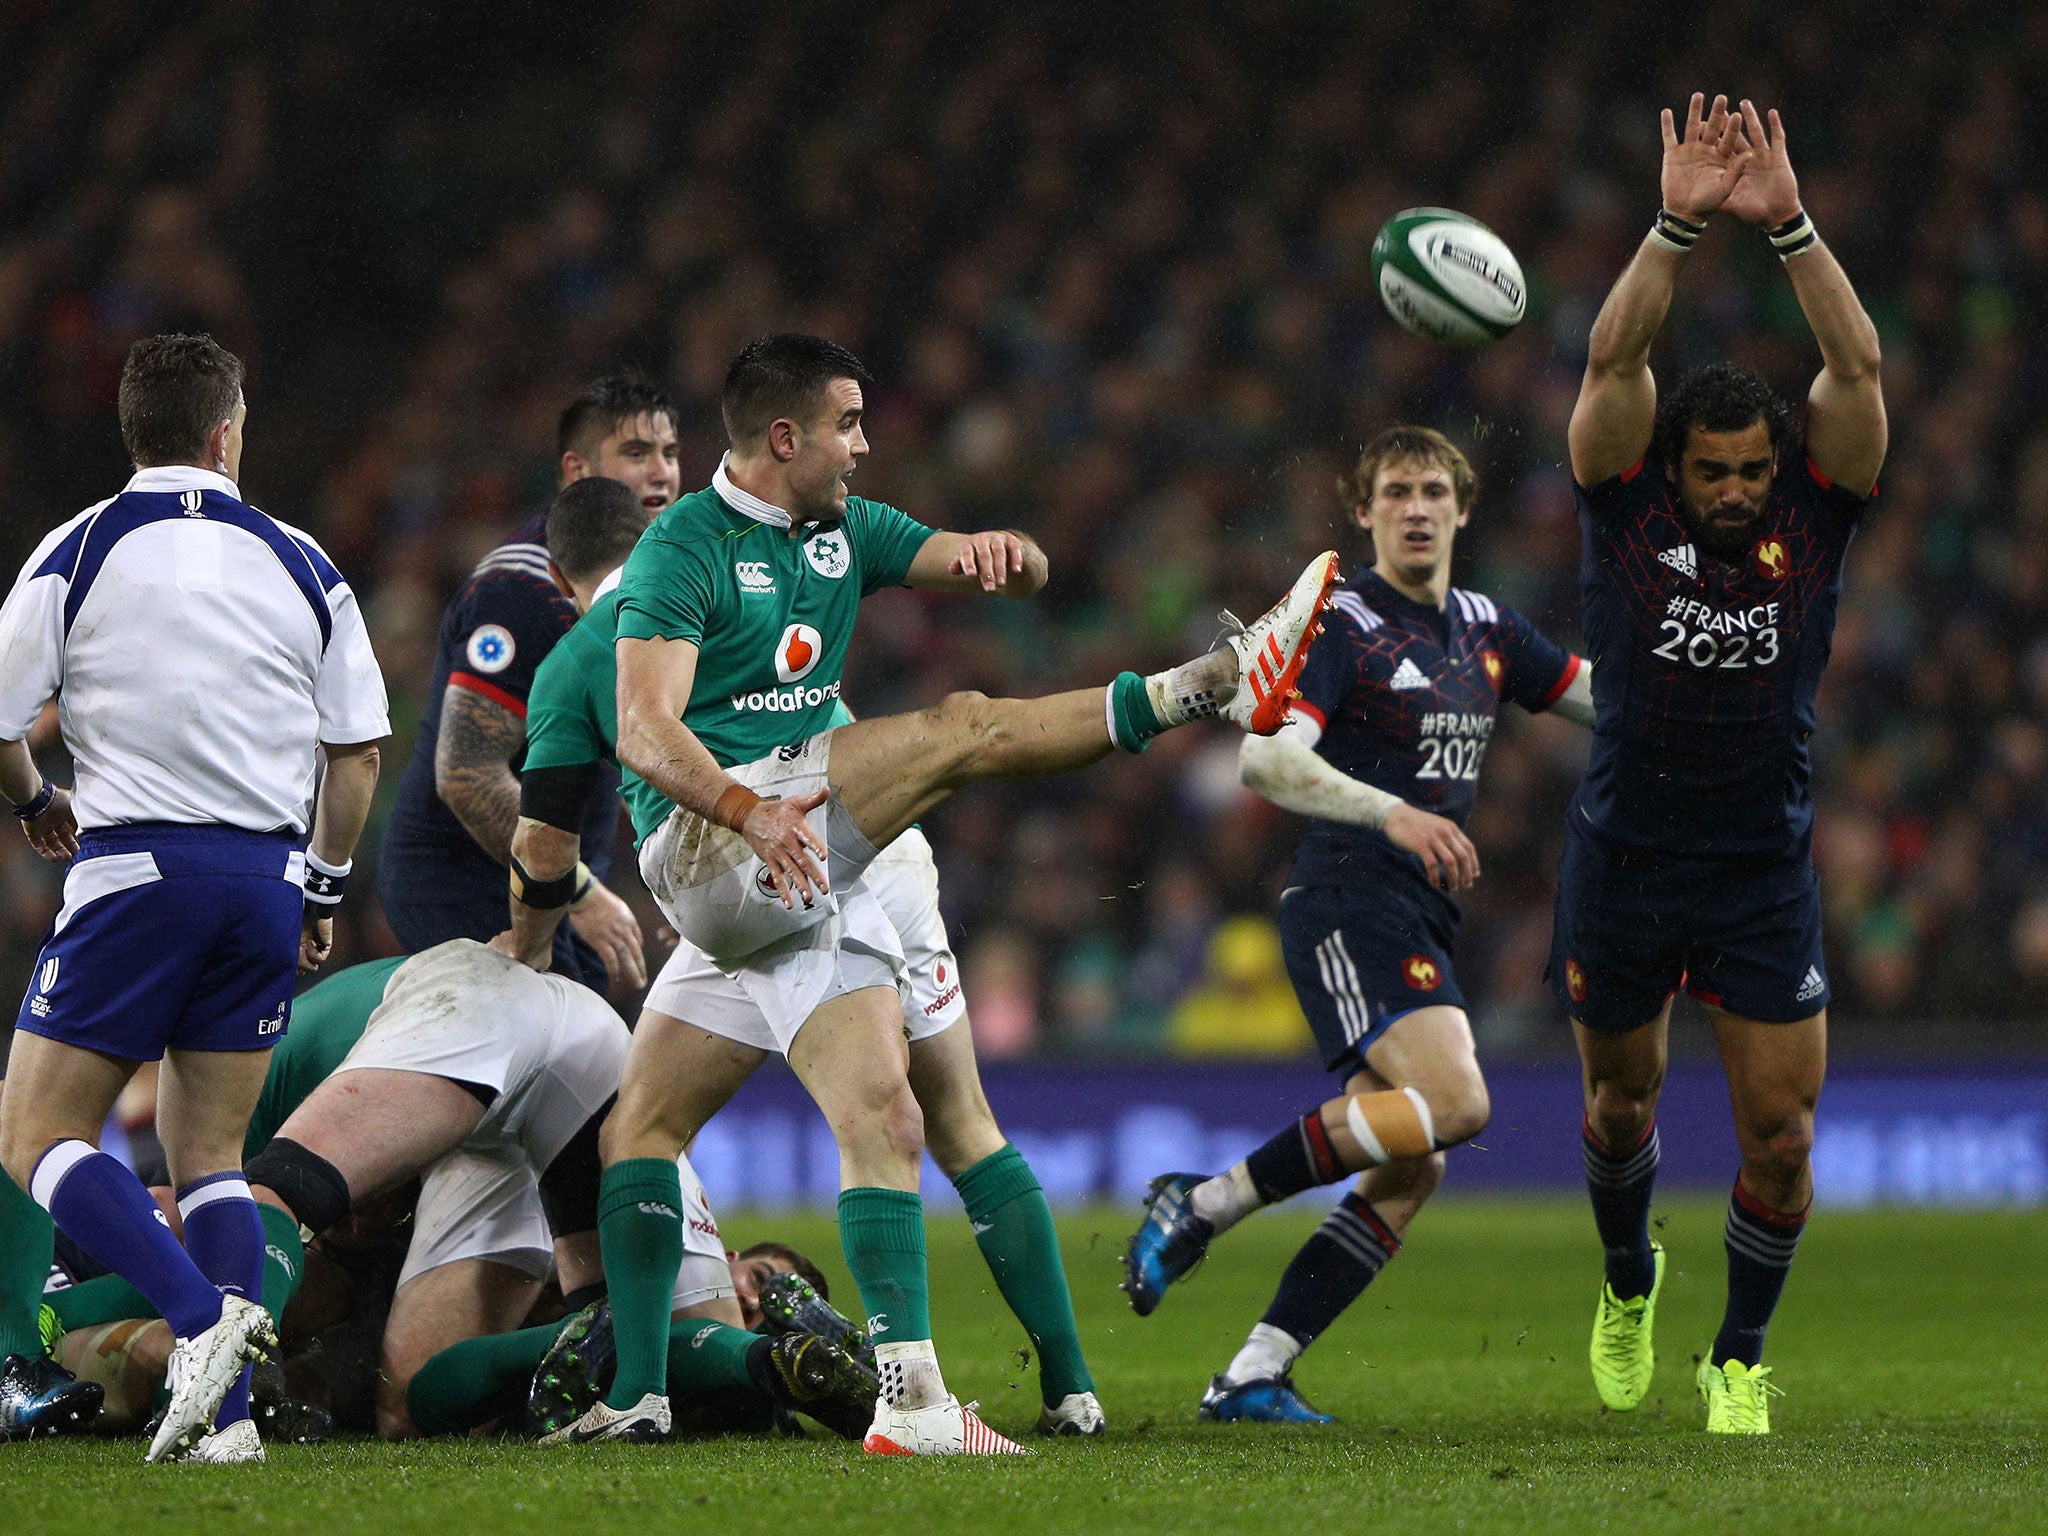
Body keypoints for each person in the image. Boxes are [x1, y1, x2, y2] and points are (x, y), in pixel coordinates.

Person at [521, 332, 1337, 1453]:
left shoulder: (844, 529)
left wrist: (1014, 555)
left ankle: (642, 1397)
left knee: (650, 1128)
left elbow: (985, 563)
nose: (864, 445)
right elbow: (647, 735)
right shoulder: (682, 552)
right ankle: (1212, 684)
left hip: (789, 864)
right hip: (720, 847)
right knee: (963, 731)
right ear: (782, 436)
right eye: (847, 425)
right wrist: (747, 811)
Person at [504, 518, 1104, 1436]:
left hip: (782, 867)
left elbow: (543, 845)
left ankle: (898, 1400)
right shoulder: (744, 571)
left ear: (559, 578)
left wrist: (533, 947)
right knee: (954, 1122)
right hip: (866, 854)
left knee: (871, 1115)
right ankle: (1070, 1391)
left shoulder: (591, 652)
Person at [1121, 427, 1590, 1422]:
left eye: (1432, 491)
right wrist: (1394, 812)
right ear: (1363, 511)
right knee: (1457, 1106)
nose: (1414, 508)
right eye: (1394, 492)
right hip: (1344, 899)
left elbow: (1598, 699)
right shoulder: (1338, 622)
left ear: (1462, 509)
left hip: (1416, 911)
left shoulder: (1487, 630)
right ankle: (1200, 1205)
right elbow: (1264, 763)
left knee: (1409, 1165)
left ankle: (1250, 1371)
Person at [1554, 96, 1885, 1435]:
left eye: (1757, 466)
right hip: (1626, 857)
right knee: (1619, 1100)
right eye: (1719, 469)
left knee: (1783, 1142)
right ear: (1674, 468)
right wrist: (1677, 224)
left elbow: (1857, 377)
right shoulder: (1622, 501)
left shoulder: (1817, 512)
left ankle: (1737, 1357)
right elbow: (1607, 360)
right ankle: (1631, 1276)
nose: (1743, 485)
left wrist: (1793, 228)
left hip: (1759, 869)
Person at [0, 333, 389, 1463]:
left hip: (138, 875)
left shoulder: (81, 548)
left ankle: (202, 1318)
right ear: (228, 432)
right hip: (265, 885)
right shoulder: (301, 559)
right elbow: (356, 753)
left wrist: (33, 800)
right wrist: (321, 886)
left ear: (137, 432)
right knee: (208, 1157)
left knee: (35, 1133)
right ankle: (224, 1425)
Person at [43, 948, 872, 1443]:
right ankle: (768, 1368)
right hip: (571, 1053)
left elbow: (216, 1220)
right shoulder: (280, 1074)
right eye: (760, 1280)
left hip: (475, 1024)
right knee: (383, 1360)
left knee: (273, 1209)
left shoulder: (249, 1093)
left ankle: (199, 1375)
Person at [377, 372, 678, 992]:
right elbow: (467, 773)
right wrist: (582, 895)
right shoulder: (524, 594)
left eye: (670, 453)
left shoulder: (658, 578)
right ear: (575, 470)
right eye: (635, 453)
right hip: (465, 880)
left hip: (557, 871)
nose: (661, 474)